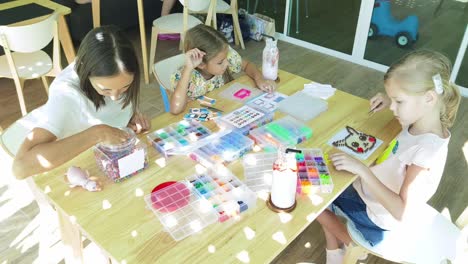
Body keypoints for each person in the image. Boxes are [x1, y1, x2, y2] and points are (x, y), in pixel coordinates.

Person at [318, 50, 461, 264]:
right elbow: (410, 114)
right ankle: (335, 248)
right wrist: (389, 100)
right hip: (371, 194)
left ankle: (349, 243)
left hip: (377, 216)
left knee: (313, 196)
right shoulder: (422, 121)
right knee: (322, 178)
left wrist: (362, 170)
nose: (393, 107)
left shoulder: (426, 155)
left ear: (429, 98)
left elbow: (402, 212)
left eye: (399, 102)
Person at [12, 26, 151, 179]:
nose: (115, 97)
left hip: (108, 164)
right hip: (75, 171)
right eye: (106, 90)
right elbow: (20, 168)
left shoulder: (118, 76)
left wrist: (130, 118)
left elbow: (112, 107)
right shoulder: (66, 95)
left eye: (125, 87)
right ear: (86, 73)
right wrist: (97, 133)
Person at [169, 24, 276, 114]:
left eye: (225, 58)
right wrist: (188, 69)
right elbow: (175, 109)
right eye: (220, 62)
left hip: (226, 111)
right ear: (201, 64)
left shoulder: (223, 55)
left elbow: (247, 65)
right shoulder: (184, 76)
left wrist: (259, 79)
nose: (227, 63)